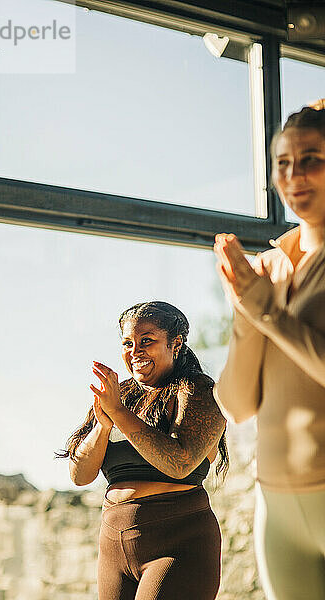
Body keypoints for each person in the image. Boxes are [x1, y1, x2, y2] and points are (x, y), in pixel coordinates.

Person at [213, 104, 325, 600]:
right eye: (283, 162)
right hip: (276, 502)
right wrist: (245, 308)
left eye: (312, 159)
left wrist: (267, 312)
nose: (294, 175)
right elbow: (236, 406)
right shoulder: (271, 270)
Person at [58, 301, 227, 600]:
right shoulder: (118, 395)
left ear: (176, 344)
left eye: (146, 341)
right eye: (127, 343)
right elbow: (80, 475)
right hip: (114, 542)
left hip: (178, 539)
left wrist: (118, 412)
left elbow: (180, 463)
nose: (135, 351)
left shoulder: (198, 390)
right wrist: (104, 424)